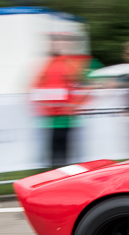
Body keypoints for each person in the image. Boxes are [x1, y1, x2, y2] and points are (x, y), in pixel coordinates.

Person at [30, 35, 89, 167]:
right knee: (58, 155)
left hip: (62, 118)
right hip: (52, 119)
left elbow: (83, 88)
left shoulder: (67, 64)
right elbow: (36, 88)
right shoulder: (50, 65)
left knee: (60, 156)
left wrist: (73, 106)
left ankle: (60, 179)